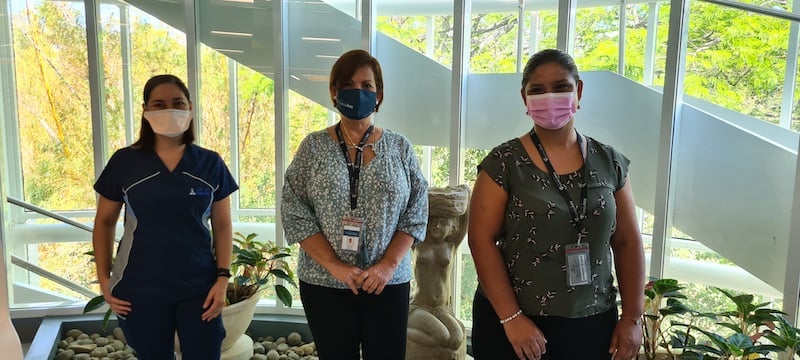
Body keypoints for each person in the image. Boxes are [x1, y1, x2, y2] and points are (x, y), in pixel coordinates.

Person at [468, 49, 645, 360]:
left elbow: (628, 241)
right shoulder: (504, 163)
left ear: (578, 91)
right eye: (538, 89)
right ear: (524, 97)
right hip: (515, 325)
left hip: (592, 322)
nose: (550, 96)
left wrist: (632, 317)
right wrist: (512, 319)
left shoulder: (609, 162)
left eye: (561, 86)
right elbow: (481, 240)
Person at [281, 49, 428, 360]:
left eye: (367, 85)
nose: (358, 92)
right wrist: (337, 268)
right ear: (334, 92)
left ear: (379, 94)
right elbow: (294, 211)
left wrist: (386, 267)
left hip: (387, 283)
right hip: (325, 283)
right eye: (348, 84)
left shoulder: (400, 148)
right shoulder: (313, 147)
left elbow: (416, 212)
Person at [92, 74, 238, 359]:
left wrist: (222, 279)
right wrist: (104, 279)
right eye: (159, 104)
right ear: (146, 111)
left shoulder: (210, 163)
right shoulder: (124, 162)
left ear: (190, 108)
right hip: (139, 286)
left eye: (177, 103)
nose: (169, 110)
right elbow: (105, 222)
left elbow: (222, 225)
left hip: (200, 286)